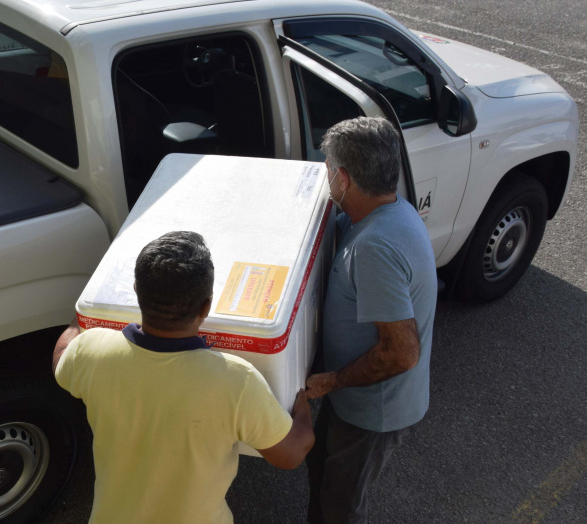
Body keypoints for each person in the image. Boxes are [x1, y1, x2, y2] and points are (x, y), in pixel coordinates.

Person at [53, 231, 314, 524]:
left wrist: (80, 315)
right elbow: (291, 454)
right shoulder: (237, 380)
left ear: (137, 291)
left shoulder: (91, 351)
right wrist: (303, 409)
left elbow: (61, 355)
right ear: (206, 306)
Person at [305, 117, 438, 524]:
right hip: (352, 397)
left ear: (343, 179)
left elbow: (401, 353)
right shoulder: (386, 210)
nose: (325, 175)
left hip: (371, 409)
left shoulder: (376, 247)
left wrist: (332, 381)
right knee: (324, 471)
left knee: (341, 507)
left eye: (328, 168)